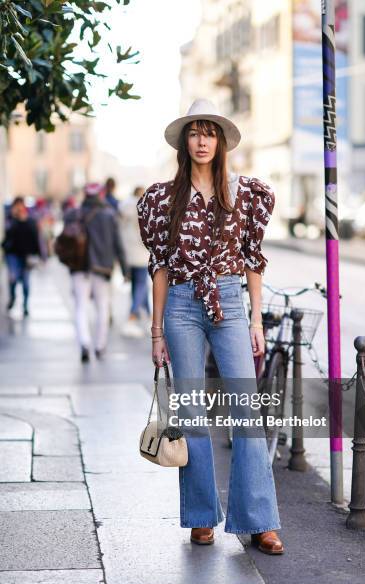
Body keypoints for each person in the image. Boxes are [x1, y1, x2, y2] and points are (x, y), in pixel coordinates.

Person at [137, 99, 283, 555]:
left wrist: (256, 319)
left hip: (229, 301)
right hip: (180, 304)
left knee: (247, 413)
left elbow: (253, 260)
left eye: (210, 133)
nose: (202, 141)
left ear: (220, 142)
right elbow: (160, 265)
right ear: (185, 143)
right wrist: (156, 331)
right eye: (195, 133)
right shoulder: (161, 198)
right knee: (192, 415)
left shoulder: (246, 192)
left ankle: (258, 522)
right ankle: (201, 517)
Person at [64, 183, 128, 362]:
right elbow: (118, 244)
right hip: (102, 268)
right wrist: (125, 269)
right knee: (102, 307)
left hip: (78, 268)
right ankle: (100, 346)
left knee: (80, 307)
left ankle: (84, 343)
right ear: (100, 195)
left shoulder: (73, 214)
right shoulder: (109, 215)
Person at [119, 186, 150, 337]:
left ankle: (146, 312)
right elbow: (144, 233)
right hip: (141, 253)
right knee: (141, 285)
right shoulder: (143, 207)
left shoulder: (124, 207)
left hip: (127, 253)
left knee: (136, 285)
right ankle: (133, 314)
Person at [2, 196, 41, 317]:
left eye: (20, 205)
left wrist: (38, 254)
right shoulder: (10, 220)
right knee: (13, 279)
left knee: (25, 282)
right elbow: (7, 236)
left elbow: (36, 238)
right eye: (16, 205)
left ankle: (25, 305)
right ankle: (13, 298)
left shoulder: (30, 220)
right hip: (12, 255)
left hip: (26, 256)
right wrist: (14, 219)